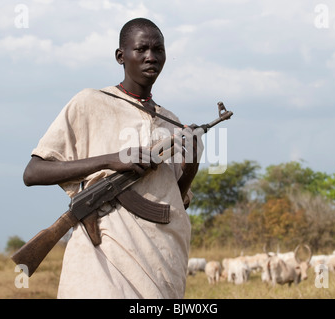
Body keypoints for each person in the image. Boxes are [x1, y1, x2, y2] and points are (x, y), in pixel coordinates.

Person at [22, 18, 203, 298]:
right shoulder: (90, 102)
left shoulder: (173, 124)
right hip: (102, 259)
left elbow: (173, 201)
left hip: (161, 262)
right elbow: (33, 172)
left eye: (159, 50)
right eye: (141, 49)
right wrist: (110, 160)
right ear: (121, 56)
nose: (151, 57)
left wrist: (190, 165)